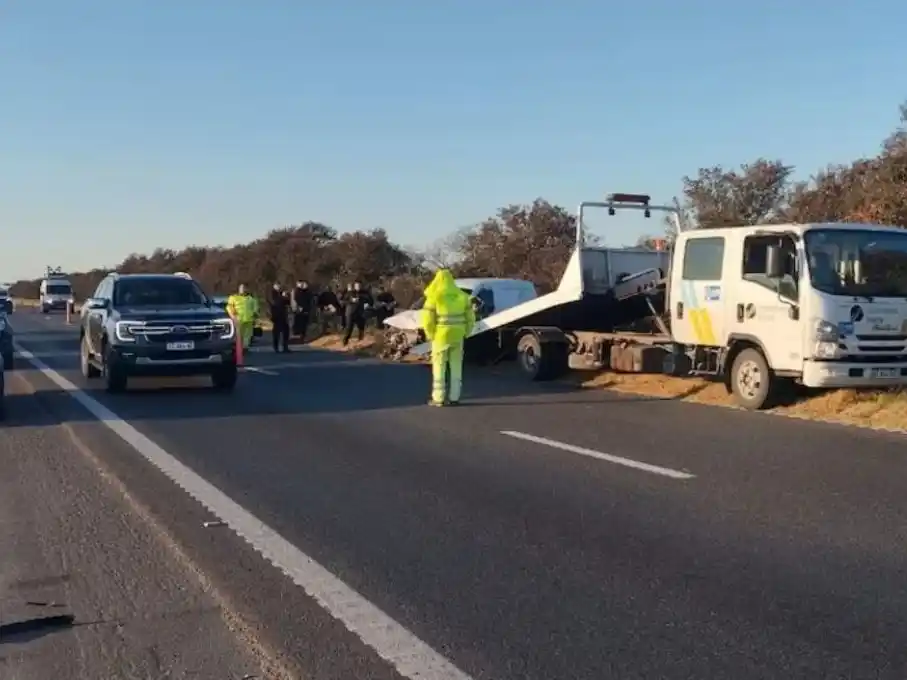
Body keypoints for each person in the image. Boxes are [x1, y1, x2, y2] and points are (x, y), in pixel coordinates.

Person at [421, 269, 475, 406]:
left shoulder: (434, 297)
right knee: (456, 367)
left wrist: (430, 334)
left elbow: (427, 320)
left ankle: (438, 398)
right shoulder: (463, 297)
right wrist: (467, 332)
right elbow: (471, 318)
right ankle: (454, 397)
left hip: (440, 337)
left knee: (439, 367)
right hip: (457, 336)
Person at [226, 284, 259, 351]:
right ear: (239, 289)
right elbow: (229, 307)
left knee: (247, 335)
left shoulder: (251, 298)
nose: (243, 289)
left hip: (249, 320)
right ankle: (237, 349)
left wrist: (255, 314)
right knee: (238, 335)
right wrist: (233, 316)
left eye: (244, 288)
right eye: (241, 288)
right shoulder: (234, 297)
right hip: (238, 320)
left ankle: (245, 348)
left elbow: (256, 307)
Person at [341, 281, 372, 346]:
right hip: (350, 313)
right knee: (349, 328)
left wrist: (368, 304)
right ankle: (345, 340)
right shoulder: (349, 293)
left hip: (360, 313)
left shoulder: (365, 293)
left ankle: (361, 341)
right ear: (354, 286)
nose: (358, 287)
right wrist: (351, 300)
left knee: (361, 328)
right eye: (357, 286)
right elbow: (343, 301)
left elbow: (371, 301)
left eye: (359, 285)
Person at [268, 283, 291, 353]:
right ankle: (276, 347)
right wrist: (283, 297)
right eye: (277, 286)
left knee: (286, 331)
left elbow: (287, 302)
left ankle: (285, 347)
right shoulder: (272, 294)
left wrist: (287, 297)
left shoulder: (281, 294)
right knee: (276, 333)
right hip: (276, 316)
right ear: (274, 286)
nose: (278, 287)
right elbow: (275, 302)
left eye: (279, 286)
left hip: (283, 315)